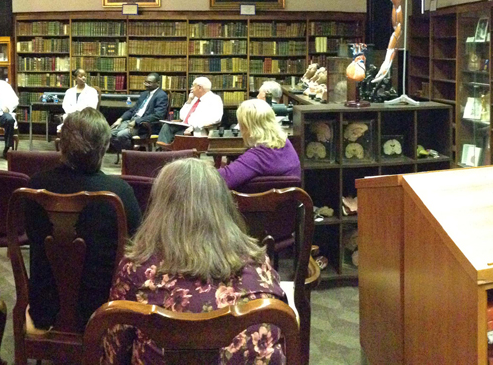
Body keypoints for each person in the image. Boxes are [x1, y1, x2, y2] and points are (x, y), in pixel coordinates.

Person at [104, 158, 287, 364]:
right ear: (223, 205)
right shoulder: (260, 265)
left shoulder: (135, 271)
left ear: (159, 208)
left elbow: (114, 354)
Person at [25, 107, 142, 332]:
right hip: (104, 310)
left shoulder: (34, 188)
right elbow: (137, 248)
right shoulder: (120, 193)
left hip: (45, 309)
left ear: (61, 144)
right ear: (105, 147)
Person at [218, 99, 301, 190]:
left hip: (255, 203)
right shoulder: (285, 143)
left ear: (247, 128)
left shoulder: (257, 157)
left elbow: (220, 180)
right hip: (287, 202)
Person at [157, 77, 223, 145]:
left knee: (176, 136)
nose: (191, 88)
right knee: (166, 126)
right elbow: (182, 116)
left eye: (193, 86)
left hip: (196, 130)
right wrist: (189, 100)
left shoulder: (214, 99)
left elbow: (216, 118)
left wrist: (193, 126)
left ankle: (165, 151)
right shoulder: (194, 98)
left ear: (199, 88)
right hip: (184, 126)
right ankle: (162, 149)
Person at [111, 72, 168, 149]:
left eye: (149, 83)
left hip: (146, 126)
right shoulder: (144, 94)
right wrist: (120, 119)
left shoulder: (161, 96)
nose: (146, 84)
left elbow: (158, 115)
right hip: (132, 121)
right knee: (110, 133)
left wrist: (137, 121)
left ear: (157, 83)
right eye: (145, 82)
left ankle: (130, 155)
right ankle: (130, 151)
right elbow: (133, 110)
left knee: (121, 135)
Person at [58, 68, 100, 133]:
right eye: (80, 76)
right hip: (71, 117)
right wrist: (74, 115)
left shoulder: (92, 91)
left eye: (84, 76)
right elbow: (65, 105)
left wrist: (79, 115)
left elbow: (91, 107)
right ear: (75, 78)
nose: (83, 78)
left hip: (86, 119)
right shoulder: (69, 91)